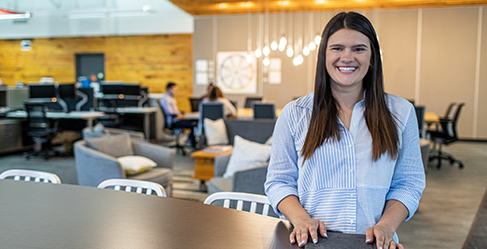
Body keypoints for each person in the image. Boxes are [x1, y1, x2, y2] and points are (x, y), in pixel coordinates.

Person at [264, 12, 425, 249]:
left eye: (359, 49)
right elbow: (279, 182)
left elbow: (409, 183)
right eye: (337, 48)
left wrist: (386, 226)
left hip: (375, 243)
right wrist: (300, 219)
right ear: (324, 56)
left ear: (372, 58)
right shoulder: (294, 113)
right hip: (309, 242)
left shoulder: (401, 112)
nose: (347, 57)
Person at [159, 82, 197, 149]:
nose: (175, 92)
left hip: (176, 118)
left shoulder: (171, 98)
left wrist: (181, 114)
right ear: (168, 89)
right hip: (172, 121)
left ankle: (190, 141)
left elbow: (175, 111)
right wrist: (179, 115)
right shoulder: (165, 99)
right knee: (191, 125)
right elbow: (169, 113)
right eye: (174, 90)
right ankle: (193, 146)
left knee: (193, 122)